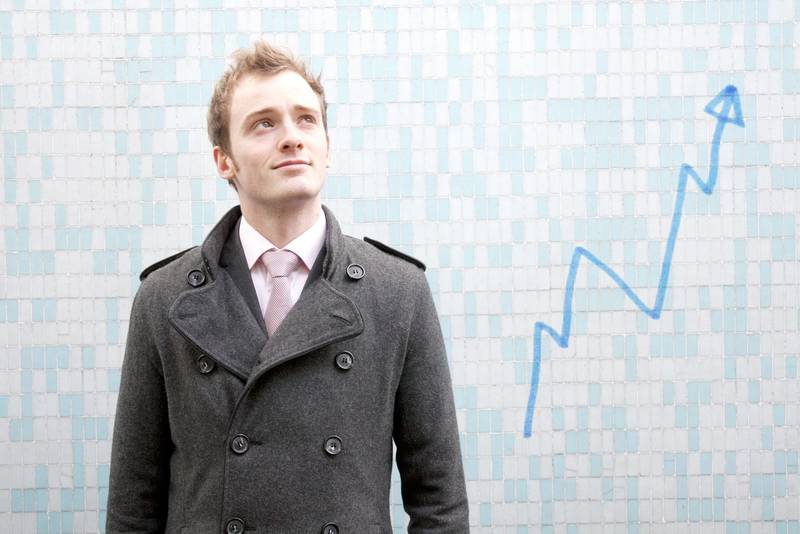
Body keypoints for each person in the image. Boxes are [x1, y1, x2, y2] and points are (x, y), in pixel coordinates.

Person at [106, 40, 469, 533]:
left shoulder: (397, 292)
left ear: (327, 147)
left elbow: (440, 503)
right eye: (264, 123)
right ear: (224, 160)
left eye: (306, 120)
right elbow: (133, 506)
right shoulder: (164, 299)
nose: (292, 138)